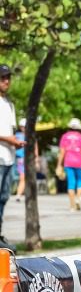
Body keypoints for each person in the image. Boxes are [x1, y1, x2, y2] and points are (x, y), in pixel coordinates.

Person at [0, 64, 23, 251]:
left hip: (9, 157)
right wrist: (10, 140)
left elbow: (10, 130)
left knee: (3, 197)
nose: (6, 81)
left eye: (8, 77)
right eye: (2, 78)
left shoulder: (9, 104)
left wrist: (17, 141)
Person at [56, 118, 81, 212]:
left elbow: (62, 152)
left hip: (68, 162)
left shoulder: (65, 136)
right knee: (80, 181)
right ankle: (78, 198)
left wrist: (59, 164)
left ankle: (72, 205)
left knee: (71, 183)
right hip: (79, 162)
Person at [14, 117, 26, 201]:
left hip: (23, 159)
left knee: (22, 178)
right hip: (18, 159)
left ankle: (18, 194)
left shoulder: (29, 136)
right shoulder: (16, 136)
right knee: (21, 178)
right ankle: (18, 194)